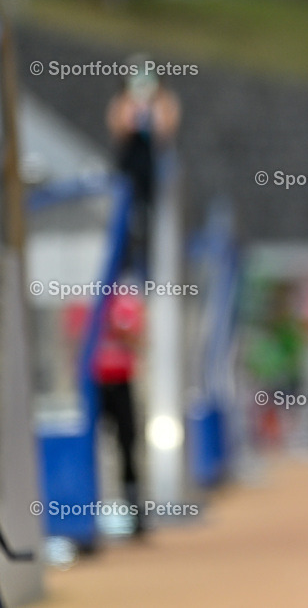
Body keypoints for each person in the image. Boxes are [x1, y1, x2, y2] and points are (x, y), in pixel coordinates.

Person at [106, 58, 180, 279]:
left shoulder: (164, 102)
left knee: (150, 219)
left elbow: (166, 129)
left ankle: (146, 270)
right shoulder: (122, 102)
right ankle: (125, 266)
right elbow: (119, 128)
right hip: (129, 165)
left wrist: (155, 106)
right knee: (125, 216)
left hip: (151, 167)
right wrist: (130, 106)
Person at [91, 292, 146, 536]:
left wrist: (116, 328)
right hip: (94, 385)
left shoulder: (127, 303)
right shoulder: (86, 303)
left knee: (128, 445)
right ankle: (92, 511)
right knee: (93, 449)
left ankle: (134, 513)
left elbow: (137, 340)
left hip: (122, 382)